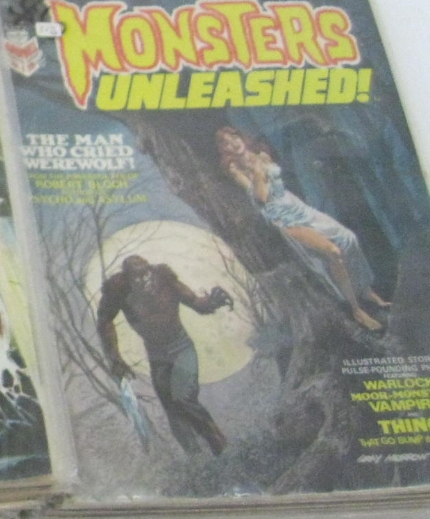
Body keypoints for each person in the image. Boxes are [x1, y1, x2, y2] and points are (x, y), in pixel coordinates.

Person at [217, 127, 385, 330]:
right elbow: (262, 197)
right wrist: (258, 173)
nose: (233, 144)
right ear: (224, 150)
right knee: (333, 252)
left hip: (295, 206)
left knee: (348, 238)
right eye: (226, 143)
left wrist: (263, 166)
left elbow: (278, 183)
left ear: (241, 137)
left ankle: (365, 290)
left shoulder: (261, 155)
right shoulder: (235, 169)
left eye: (233, 137)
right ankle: (356, 310)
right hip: (282, 218)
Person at [96, 254, 232, 456]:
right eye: (135, 276)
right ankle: (197, 460)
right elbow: (104, 320)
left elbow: (195, 302)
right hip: (157, 357)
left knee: (183, 398)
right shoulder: (119, 290)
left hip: (181, 348)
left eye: (144, 274)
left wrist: (212, 302)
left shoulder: (166, 281)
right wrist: (115, 357)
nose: (142, 281)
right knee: (174, 414)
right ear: (127, 277)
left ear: (150, 271)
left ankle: (221, 446)